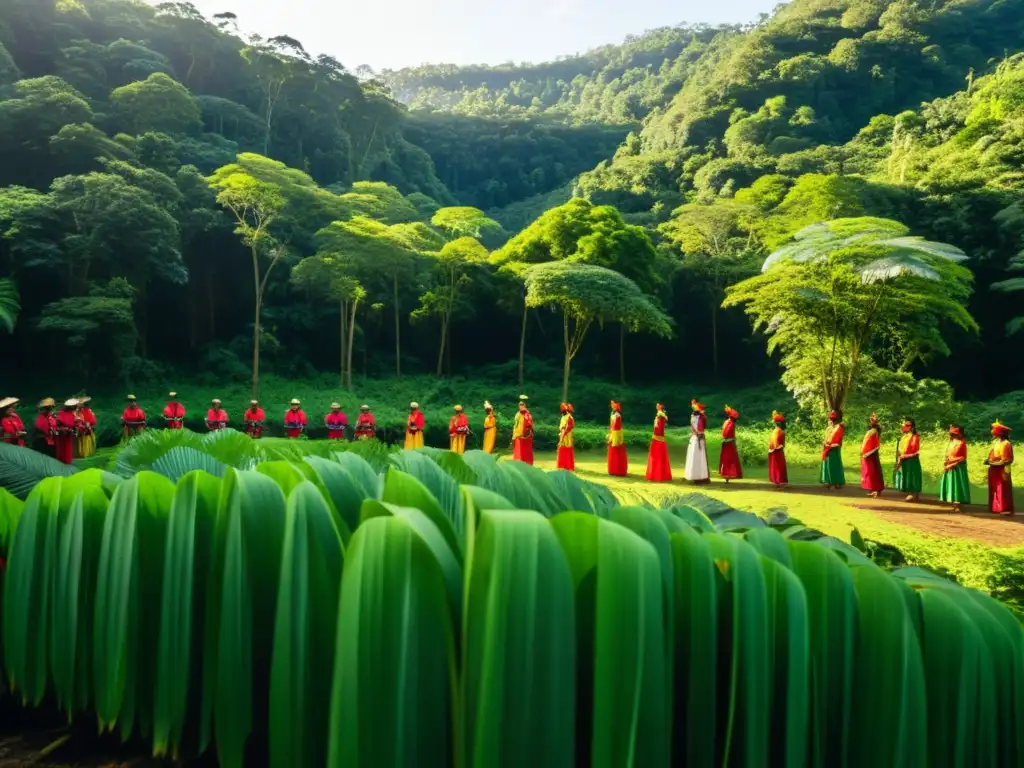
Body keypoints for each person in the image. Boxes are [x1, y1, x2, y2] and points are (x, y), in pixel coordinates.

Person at [985, 420, 1014, 515]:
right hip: (994, 468)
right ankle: (996, 507)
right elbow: (992, 454)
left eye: (994, 430)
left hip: (1002, 469)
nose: (992, 432)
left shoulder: (1006, 444)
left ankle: (1005, 508)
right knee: (995, 488)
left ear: (1000, 433)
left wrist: (994, 463)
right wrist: (989, 460)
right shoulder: (996, 442)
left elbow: (1007, 460)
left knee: (1003, 488)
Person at [940, 424, 970, 512]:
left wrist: (952, 463)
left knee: (958, 485)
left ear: (960, 434)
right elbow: (948, 454)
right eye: (952, 434)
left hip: (958, 467)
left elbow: (963, 457)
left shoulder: (962, 443)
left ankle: (958, 504)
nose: (953, 435)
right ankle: (953, 502)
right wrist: (946, 461)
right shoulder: (951, 442)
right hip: (949, 466)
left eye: (955, 434)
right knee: (951, 484)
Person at [894, 418, 922, 502]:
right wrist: (899, 457)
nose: (904, 427)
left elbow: (914, 448)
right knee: (906, 475)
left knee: (912, 475)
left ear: (912, 427)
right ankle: (912, 493)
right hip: (904, 458)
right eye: (904, 425)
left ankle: (913, 493)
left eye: (907, 425)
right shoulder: (904, 436)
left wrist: (905, 455)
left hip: (911, 458)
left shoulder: (915, 436)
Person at [684, 399, 710, 484]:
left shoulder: (700, 417)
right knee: (697, 457)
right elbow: (698, 427)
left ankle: (699, 476)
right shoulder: (700, 417)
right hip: (696, 438)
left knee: (698, 457)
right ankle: (697, 476)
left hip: (697, 438)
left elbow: (701, 427)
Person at [645, 403, 671, 482]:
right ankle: (655, 474)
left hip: (658, 438)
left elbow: (659, 429)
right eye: (656, 405)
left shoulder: (661, 416)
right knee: (656, 456)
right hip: (657, 438)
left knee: (657, 456)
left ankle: (658, 475)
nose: (657, 406)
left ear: (661, 406)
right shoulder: (659, 415)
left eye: (658, 405)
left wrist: (657, 436)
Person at [860, 413, 884, 498]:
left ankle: (876, 490)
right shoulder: (872, 431)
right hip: (870, 453)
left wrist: (866, 452)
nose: (870, 422)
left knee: (873, 472)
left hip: (871, 454)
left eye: (872, 421)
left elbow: (872, 443)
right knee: (872, 472)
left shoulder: (873, 432)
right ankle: (874, 490)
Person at [820, 410, 845, 490]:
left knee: (834, 465)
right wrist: (825, 443)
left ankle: (836, 482)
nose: (832, 421)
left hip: (834, 449)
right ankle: (828, 481)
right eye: (831, 419)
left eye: (833, 419)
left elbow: (839, 440)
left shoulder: (839, 428)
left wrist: (832, 445)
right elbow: (825, 438)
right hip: (827, 448)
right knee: (827, 464)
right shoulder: (828, 428)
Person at [719, 405, 743, 482]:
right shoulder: (730, 423)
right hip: (729, 443)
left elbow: (724, 432)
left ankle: (728, 474)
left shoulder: (728, 422)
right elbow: (726, 433)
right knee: (729, 459)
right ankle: (729, 474)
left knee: (728, 459)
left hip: (728, 442)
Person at [54, 399, 78, 465]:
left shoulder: (72, 414)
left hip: (68, 434)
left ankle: (67, 461)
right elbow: (58, 423)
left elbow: (73, 424)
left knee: (68, 447)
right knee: (62, 448)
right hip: (62, 434)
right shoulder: (61, 413)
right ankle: (61, 461)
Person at [512, 395, 534, 465]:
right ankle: (518, 463)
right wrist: (514, 434)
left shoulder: (527, 415)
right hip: (518, 435)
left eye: (522, 405)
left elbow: (530, 425)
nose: (521, 406)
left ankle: (526, 463)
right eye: (520, 405)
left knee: (525, 451)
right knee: (518, 451)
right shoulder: (517, 414)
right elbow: (515, 424)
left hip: (525, 436)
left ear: (525, 405)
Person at [768, 411, 788, 488]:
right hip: (776, 451)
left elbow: (778, 442)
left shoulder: (778, 431)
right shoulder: (778, 431)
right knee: (778, 466)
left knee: (778, 466)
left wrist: (774, 448)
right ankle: (778, 481)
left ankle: (779, 481)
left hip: (777, 451)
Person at [557, 403, 575, 471]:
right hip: (562, 434)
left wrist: (564, 431)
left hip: (567, 436)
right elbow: (561, 426)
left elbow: (570, 426)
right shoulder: (562, 416)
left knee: (567, 450)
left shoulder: (569, 417)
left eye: (563, 410)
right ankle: (562, 465)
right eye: (562, 410)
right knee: (561, 449)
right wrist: (561, 430)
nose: (562, 411)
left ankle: (568, 466)